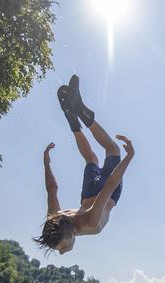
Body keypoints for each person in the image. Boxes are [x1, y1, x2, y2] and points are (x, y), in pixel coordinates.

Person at [35, 75, 134, 254]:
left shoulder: (91, 223)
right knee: (91, 158)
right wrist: (46, 163)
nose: (62, 252)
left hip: (108, 195)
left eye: (63, 246)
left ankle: (81, 112)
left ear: (73, 232)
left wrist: (129, 157)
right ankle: (74, 121)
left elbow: (110, 185)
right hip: (89, 192)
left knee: (113, 150)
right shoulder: (56, 218)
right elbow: (52, 189)